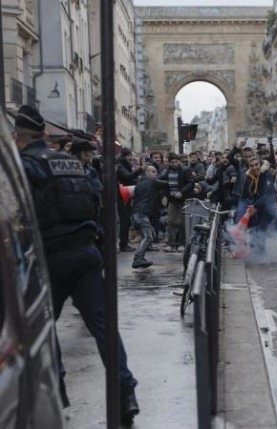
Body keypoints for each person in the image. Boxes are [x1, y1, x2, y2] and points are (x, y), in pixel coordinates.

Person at [14, 105, 140, 423]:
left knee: (42, 329)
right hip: (85, 255)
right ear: (44, 134)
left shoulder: (24, 167)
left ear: (19, 137)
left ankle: (57, 388)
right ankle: (125, 392)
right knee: (103, 327)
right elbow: (97, 202)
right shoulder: (71, 163)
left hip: (48, 260)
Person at [131, 165, 169, 268]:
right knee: (148, 237)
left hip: (138, 213)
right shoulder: (152, 181)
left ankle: (140, 258)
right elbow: (166, 183)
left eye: (156, 171)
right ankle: (138, 258)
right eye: (153, 172)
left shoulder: (139, 183)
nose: (155, 174)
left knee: (150, 234)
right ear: (147, 173)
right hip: (142, 214)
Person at [158, 152, 194, 252]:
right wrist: (164, 196)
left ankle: (181, 243)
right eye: (172, 162)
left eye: (176, 162)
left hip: (183, 199)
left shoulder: (185, 170)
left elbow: (191, 183)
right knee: (171, 222)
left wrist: (182, 192)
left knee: (183, 223)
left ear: (179, 161)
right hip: (172, 200)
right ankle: (171, 243)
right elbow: (163, 183)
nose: (174, 164)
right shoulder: (167, 171)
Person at [117, 147, 142, 251]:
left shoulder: (126, 165)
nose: (130, 157)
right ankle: (123, 244)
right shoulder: (120, 166)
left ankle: (124, 243)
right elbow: (128, 177)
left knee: (126, 220)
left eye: (130, 155)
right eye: (128, 155)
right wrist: (140, 169)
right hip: (121, 196)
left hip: (125, 195)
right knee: (124, 220)